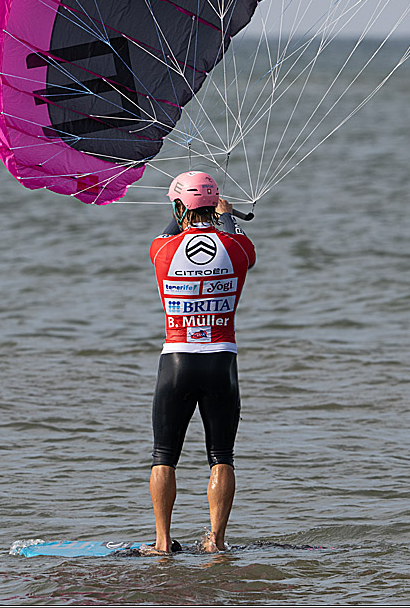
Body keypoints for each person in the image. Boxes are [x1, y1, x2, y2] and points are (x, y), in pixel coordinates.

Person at [145, 171, 257, 554]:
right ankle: (217, 541)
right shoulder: (239, 251)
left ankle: (162, 542)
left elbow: (171, 227)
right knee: (221, 456)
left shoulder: (161, 252)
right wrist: (224, 216)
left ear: (179, 208)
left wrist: (184, 209)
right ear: (214, 206)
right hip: (221, 363)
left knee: (164, 456)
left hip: (176, 362)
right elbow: (237, 240)